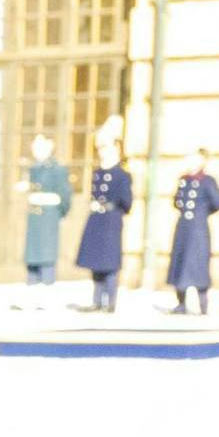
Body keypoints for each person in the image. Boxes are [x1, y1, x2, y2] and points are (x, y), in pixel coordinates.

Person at [74, 128, 133, 313]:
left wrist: (112, 207)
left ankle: (110, 301)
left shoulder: (122, 175)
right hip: (97, 219)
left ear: (116, 149)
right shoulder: (98, 174)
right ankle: (97, 300)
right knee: (96, 261)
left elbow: (127, 201)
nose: (102, 152)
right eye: (100, 149)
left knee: (109, 263)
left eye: (106, 148)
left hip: (111, 220)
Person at [164, 161, 219, 315]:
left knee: (199, 266)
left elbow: (217, 202)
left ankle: (203, 305)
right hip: (184, 228)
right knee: (181, 264)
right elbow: (176, 201)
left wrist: (201, 213)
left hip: (198, 228)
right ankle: (180, 303)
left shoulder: (207, 181)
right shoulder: (184, 179)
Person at [20, 136, 72, 285]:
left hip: (48, 218)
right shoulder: (34, 169)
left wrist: (60, 214)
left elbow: (65, 196)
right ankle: (32, 289)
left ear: (49, 148)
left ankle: (46, 290)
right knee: (32, 257)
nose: (36, 151)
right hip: (35, 218)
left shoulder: (57, 170)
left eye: (40, 147)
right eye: (35, 147)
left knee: (47, 257)